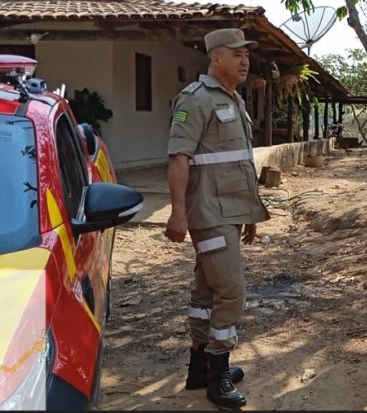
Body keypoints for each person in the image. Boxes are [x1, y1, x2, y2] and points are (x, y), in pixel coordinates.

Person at [164, 28, 270, 409]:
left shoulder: (233, 99)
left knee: (207, 292)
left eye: (246, 55)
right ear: (215, 59)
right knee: (232, 290)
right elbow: (179, 158)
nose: (245, 61)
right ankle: (218, 371)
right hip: (208, 214)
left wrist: (249, 212)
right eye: (236, 54)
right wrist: (178, 213)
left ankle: (199, 367)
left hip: (229, 211)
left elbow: (236, 163)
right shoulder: (195, 100)